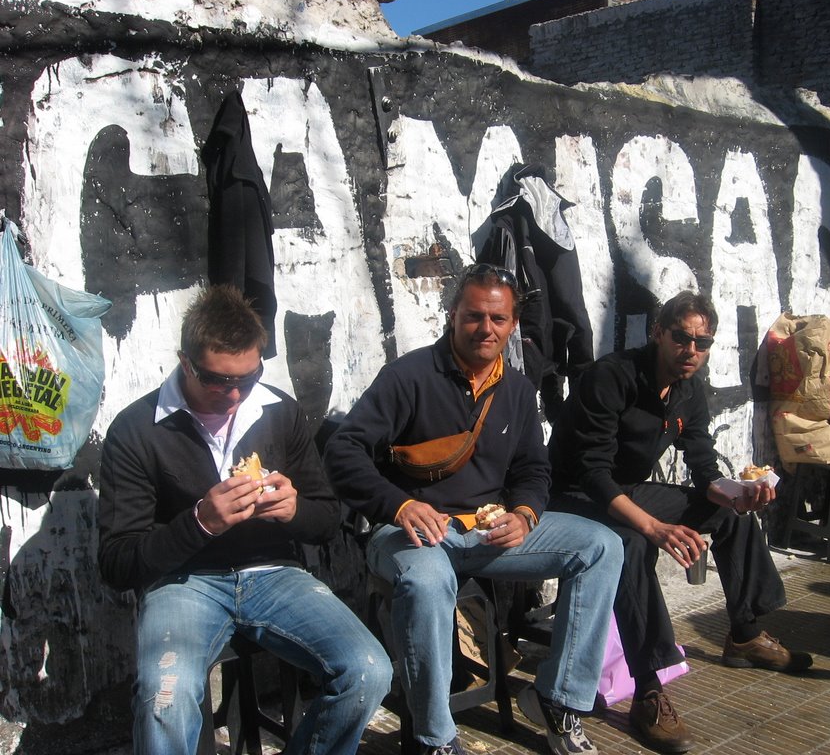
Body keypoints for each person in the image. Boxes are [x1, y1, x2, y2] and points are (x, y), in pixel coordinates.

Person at [322, 263, 623, 755]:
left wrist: (524, 514)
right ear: (452, 316)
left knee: (600, 546)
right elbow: (344, 452)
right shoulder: (408, 377)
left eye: (499, 319)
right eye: (474, 317)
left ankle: (558, 699)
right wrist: (399, 506)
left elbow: (533, 470)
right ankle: (433, 738)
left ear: (513, 324)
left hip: (487, 534)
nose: (486, 329)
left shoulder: (520, 392)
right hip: (409, 536)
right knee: (426, 580)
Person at [98, 285, 391, 755]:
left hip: (274, 574)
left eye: (248, 377)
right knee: (163, 699)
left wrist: (295, 511)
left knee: (368, 670)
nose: (233, 395)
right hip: (183, 581)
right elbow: (117, 563)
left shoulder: (279, 412)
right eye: (217, 380)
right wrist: (199, 523)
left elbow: (326, 519)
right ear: (185, 361)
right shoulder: (137, 430)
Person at [547, 290, 811, 755]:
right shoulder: (613, 377)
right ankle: (648, 690)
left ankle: (745, 635)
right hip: (570, 497)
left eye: (702, 342)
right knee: (628, 543)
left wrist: (736, 493)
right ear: (657, 333)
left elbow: (703, 465)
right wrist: (654, 527)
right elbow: (591, 473)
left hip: (624, 491)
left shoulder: (689, 390)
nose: (692, 351)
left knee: (731, 517)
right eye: (681, 338)